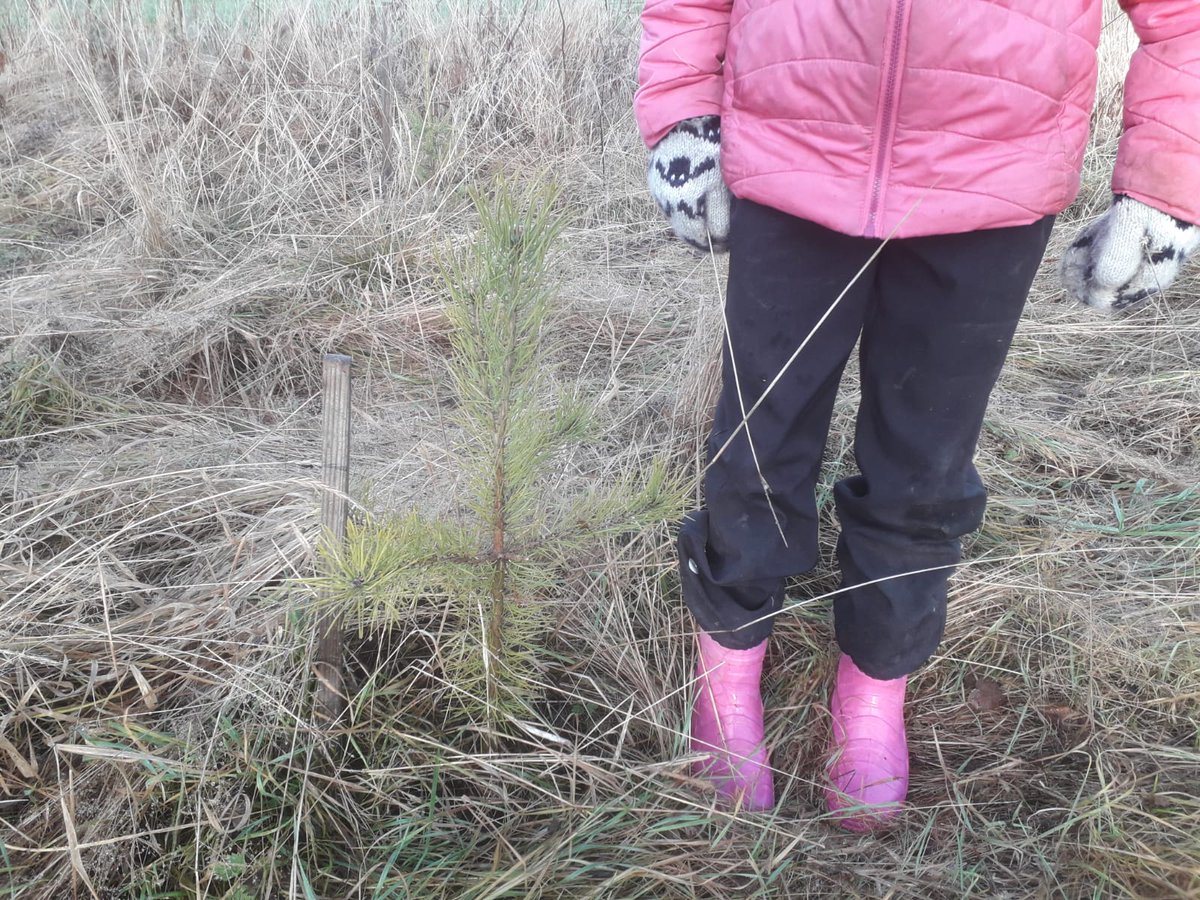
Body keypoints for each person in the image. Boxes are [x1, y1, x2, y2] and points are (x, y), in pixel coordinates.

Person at [634, 0, 1200, 830]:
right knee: (759, 433)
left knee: (925, 460)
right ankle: (728, 663)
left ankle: (873, 690)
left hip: (993, 179)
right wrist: (685, 113)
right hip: (795, 149)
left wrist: (1163, 185)